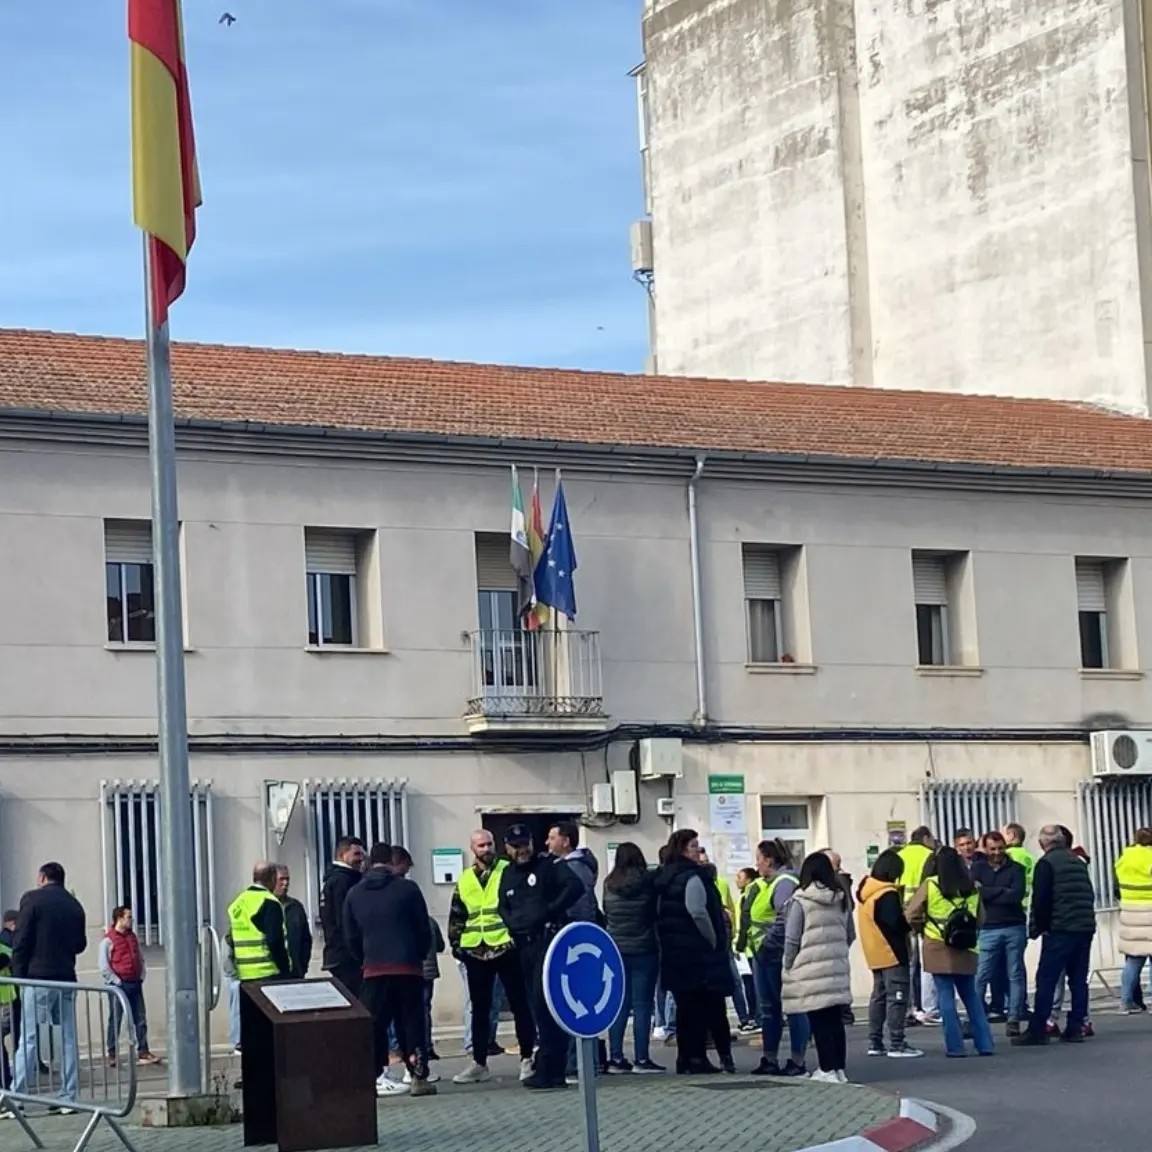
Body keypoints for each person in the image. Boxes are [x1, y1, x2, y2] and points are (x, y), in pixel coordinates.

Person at [343, 842, 435, 1098]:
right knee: (411, 1023)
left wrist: (365, 958)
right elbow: (422, 929)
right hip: (407, 967)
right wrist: (416, 955)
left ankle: (371, 1077)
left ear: (370, 861)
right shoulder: (407, 889)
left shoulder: (355, 893)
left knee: (374, 1025)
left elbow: (349, 936)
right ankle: (418, 1075)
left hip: (373, 970)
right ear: (391, 862)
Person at [497, 824, 584, 1090]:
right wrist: (512, 922)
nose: (522, 850)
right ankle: (545, 1065)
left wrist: (548, 911)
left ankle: (551, 1068)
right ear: (508, 848)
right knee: (534, 1006)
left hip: (547, 942)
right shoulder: (509, 874)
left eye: (525, 844)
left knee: (547, 1007)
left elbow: (574, 887)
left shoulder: (548, 866)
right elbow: (502, 905)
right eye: (516, 846)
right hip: (523, 946)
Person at [449, 829, 536, 1085]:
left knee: (520, 1005)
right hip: (476, 949)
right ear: (472, 848)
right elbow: (457, 913)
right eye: (481, 846)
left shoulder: (508, 870)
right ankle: (479, 1062)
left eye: (489, 844)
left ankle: (527, 1057)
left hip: (506, 947)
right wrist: (457, 946)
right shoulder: (465, 878)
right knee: (480, 1009)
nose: (486, 849)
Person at [654, 828, 734, 1076]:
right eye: (694, 847)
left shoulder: (664, 877)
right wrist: (711, 939)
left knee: (684, 1008)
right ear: (682, 850)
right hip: (696, 953)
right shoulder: (692, 877)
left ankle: (685, 1058)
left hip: (674, 952)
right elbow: (697, 911)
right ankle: (698, 1058)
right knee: (700, 1009)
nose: (699, 852)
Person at [10, 862, 87, 1107]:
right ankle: (68, 1096)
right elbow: (80, 944)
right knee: (67, 1037)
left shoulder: (32, 900)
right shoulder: (74, 905)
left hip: (38, 977)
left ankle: (18, 1095)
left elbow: (21, 940)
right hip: (66, 977)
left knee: (29, 1037)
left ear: (43, 877)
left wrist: (19, 975)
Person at [906, 846, 994, 1058]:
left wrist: (922, 929)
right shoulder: (972, 887)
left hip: (937, 944)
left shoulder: (932, 884)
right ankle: (985, 1044)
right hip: (966, 945)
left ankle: (955, 1047)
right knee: (971, 996)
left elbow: (911, 914)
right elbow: (981, 918)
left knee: (945, 996)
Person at [1014, 825, 1097, 1046]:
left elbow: (1041, 900)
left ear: (1043, 844)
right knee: (1078, 980)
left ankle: (1038, 1029)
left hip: (1060, 929)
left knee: (1047, 979)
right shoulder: (1078, 862)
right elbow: (1089, 894)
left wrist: (1038, 928)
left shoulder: (1046, 864)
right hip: (1084, 927)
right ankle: (1076, 1027)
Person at [784, 852, 855, 1083]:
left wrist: (788, 964)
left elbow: (792, 938)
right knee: (835, 1020)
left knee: (818, 1020)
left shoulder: (801, 901)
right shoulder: (841, 898)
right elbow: (849, 934)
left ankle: (826, 1069)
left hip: (809, 969)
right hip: (835, 967)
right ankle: (839, 1069)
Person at [739, 839, 808, 1077]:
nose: (756, 863)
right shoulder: (765, 883)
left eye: (758, 858)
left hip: (777, 955)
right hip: (763, 956)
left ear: (768, 860)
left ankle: (797, 1061)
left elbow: (785, 917)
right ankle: (769, 1059)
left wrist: (769, 944)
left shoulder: (785, 883)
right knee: (768, 1009)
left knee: (793, 1007)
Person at [603, 842, 663, 1073]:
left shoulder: (609, 883)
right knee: (642, 1006)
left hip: (616, 949)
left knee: (619, 1005)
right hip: (644, 948)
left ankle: (615, 1057)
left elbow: (606, 912)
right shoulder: (647, 882)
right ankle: (641, 1058)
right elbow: (653, 913)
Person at [857, 850, 922, 1058]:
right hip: (892, 950)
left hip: (874, 951)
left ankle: (875, 1041)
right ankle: (897, 1042)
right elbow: (895, 923)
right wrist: (907, 924)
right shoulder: (887, 894)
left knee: (879, 997)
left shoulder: (867, 891)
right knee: (898, 996)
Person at [971, 832, 1027, 1036]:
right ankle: (975, 1018)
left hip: (1014, 926)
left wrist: (988, 891)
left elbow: (1017, 895)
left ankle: (1013, 1018)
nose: (997, 853)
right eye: (992, 849)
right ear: (985, 849)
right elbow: (974, 894)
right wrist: (1002, 890)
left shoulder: (1017, 869)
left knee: (1015, 974)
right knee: (980, 976)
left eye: (1000, 848)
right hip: (988, 927)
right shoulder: (977, 868)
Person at [699, 847, 754, 1032]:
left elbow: (729, 909)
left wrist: (732, 935)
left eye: (706, 862)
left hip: (723, 940)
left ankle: (743, 1017)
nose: (705, 866)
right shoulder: (694, 885)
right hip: (707, 943)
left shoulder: (720, 883)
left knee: (734, 981)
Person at [98, 906, 159, 1066]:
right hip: (119, 985)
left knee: (140, 1018)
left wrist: (141, 975)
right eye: (128, 917)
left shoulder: (132, 937)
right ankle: (112, 1053)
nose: (131, 920)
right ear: (119, 918)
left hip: (135, 983)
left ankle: (143, 1051)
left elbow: (140, 957)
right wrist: (117, 981)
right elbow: (104, 966)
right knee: (115, 1019)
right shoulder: (108, 940)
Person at [227, 863, 291, 984]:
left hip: (244, 975)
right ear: (272, 878)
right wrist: (285, 970)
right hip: (267, 973)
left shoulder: (238, 903)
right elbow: (274, 941)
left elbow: (230, 939)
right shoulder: (269, 902)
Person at [897, 827, 936, 1023]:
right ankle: (927, 1006)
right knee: (927, 960)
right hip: (925, 913)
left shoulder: (900, 855)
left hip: (903, 912)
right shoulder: (930, 855)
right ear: (926, 838)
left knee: (909, 961)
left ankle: (909, 1006)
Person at [320, 835, 366, 997]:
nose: (361, 859)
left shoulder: (334, 879)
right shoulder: (343, 881)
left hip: (338, 953)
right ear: (342, 855)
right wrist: (357, 951)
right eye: (356, 854)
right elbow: (344, 920)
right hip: (347, 956)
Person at [1114, 828, 1152, 1013]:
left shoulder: (1124, 858)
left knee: (1133, 959)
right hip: (1150, 909)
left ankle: (1125, 1001)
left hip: (1129, 911)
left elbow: (1115, 887)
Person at [274, 866, 313, 979]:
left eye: (287, 879)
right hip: (272, 973)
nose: (285, 883)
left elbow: (306, 939)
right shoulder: (264, 906)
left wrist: (302, 966)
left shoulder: (296, 907)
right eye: (281, 879)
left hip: (295, 972)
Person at [734, 868, 759, 1022]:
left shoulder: (749, 895)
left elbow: (745, 921)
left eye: (740, 877)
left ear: (749, 879)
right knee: (749, 983)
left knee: (751, 984)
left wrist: (740, 944)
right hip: (746, 946)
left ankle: (755, 1015)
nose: (737, 880)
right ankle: (754, 1014)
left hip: (749, 947)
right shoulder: (744, 895)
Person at [421, 916, 445, 1062]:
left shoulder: (403, 919)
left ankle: (418, 1047)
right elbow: (441, 946)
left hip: (412, 972)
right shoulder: (430, 921)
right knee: (425, 1010)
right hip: (429, 972)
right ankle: (428, 1046)